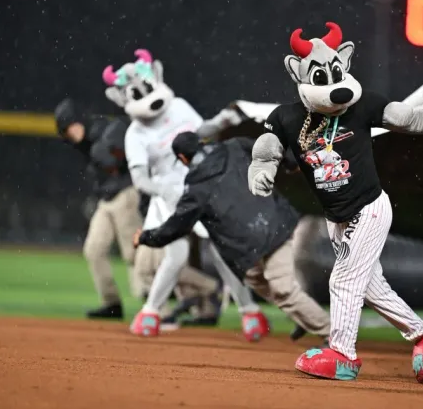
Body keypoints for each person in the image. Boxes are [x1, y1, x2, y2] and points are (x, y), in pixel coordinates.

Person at [248, 22, 423, 382]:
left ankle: (343, 355)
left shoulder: (361, 105)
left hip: (369, 208)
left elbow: (405, 117)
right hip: (336, 217)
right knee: (371, 288)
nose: (334, 83)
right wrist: (260, 169)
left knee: (343, 279)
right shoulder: (286, 116)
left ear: (344, 63)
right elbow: (266, 149)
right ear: (298, 74)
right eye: (320, 74)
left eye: (335, 71)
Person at [100, 48, 267, 339]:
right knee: (175, 256)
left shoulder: (177, 105)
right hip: (169, 197)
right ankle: (150, 313)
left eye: (147, 87)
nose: (147, 97)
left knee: (220, 252)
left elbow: (200, 131)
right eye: (136, 93)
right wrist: (163, 190)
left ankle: (249, 312)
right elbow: (140, 180)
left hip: (203, 187)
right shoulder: (135, 135)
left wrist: (223, 120)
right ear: (123, 98)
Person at [133, 131, 331, 342]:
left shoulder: (197, 189)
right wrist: (291, 162)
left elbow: (176, 227)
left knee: (283, 290)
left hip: (273, 234)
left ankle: (333, 333)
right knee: (254, 278)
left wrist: (146, 237)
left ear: (182, 159)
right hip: (274, 224)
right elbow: (270, 146)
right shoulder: (235, 146)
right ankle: (304, 315)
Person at [54, 98, 143, 320]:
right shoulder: (87, 143)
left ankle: (163, 305)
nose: (71, 133)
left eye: (71, 126)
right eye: (66, 131)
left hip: (125, 195)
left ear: (79, 120)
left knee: (135, 255)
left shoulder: (105, 129)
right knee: (93, 250)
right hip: (107, 199)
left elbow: (126, 155)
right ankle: (111, 303)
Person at [133, 243, 222, 331]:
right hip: (152, 234)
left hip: (167, 235)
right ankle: (164, 315)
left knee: (170, 270)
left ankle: (210, 286)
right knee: (146, 271)